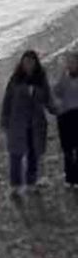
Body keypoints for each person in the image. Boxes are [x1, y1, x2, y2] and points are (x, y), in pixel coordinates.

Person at [1, 49, 55, 196]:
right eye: (25, 62)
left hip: (36, 123)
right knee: (15, 155)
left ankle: (32, 182)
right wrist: (4, 121)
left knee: (33, 153)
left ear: (36, 64)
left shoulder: (41, 79)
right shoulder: (15, 79)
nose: (28, 65)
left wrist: (57, 110)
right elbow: (7, 101)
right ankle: (15, 185)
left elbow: (48, 99)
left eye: (31, 62)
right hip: (17, 123)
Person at [53, 50, 78, 189]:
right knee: (67, 149)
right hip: (65, 115)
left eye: (74, 62)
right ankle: (70, 177)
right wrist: (61, 77)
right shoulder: (63, 77)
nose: (71, 64)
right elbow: (55, 92)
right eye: (69, 62)